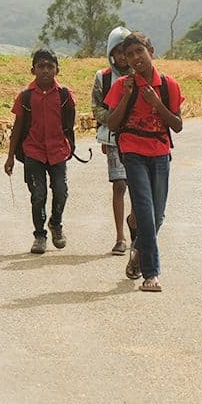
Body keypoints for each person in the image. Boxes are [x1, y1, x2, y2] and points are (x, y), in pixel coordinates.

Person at [104, 32, 183, 292]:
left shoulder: (168, 84)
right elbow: (112, 124)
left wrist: (157, 103)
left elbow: (177, 125)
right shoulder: (122, 86)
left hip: (160, 152)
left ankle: (139, 251)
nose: (135, 58)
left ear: (151, 50)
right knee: (146, 212)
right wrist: (127, 96)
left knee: (158, 214)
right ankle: (152, 274)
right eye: (129, 55)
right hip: (133, 152)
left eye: (139, 51)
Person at [4, 48, 76, 254]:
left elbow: (69, 123)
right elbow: (17, 128)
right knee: (38, 194)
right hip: (33, 152)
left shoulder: (64, 95)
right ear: (33, 70)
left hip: (58, 151)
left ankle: (56, 224)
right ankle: (39, 235)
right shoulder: (25, 97)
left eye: (50, 66)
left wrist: (70, 146)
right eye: (41, 66)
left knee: (61, 191)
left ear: (57, 70)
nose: (45, 70)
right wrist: (10, 156)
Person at [93, 26, 133, 256]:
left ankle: (135, 224)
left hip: (138, 137)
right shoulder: (103, 78)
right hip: (113, 139)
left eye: (125, 51)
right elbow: (95, 106)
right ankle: (120, 236)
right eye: (117, 51)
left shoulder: (140, 74)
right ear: (111, 52)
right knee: (119, 185)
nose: (121, 56)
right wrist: (112, 120)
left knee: (137, 186)